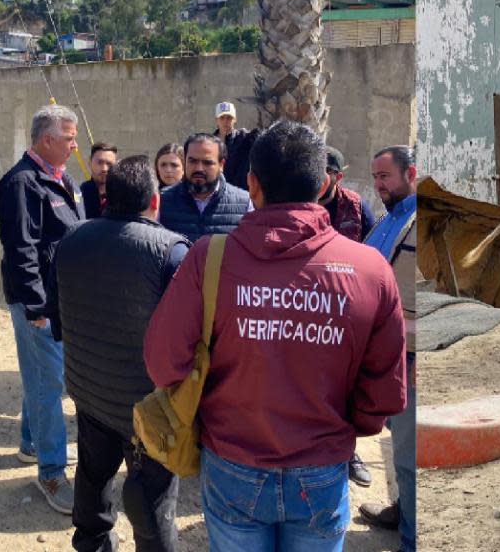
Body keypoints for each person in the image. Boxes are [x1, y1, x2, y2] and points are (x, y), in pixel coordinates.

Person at [143, 120, 407, 552]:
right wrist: (345, 429)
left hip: (232, 461)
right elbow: (386, 391)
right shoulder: (371, 269)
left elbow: (162, 362)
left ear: (250, 183)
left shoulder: (208, 259)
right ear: (323, 184)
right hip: (322, 464)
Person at [47, 156, 190, 551]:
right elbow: (187, 338)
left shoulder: (71, 239)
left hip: (89, 390)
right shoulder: (171, 252)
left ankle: (91, 543)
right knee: (152, 498)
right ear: (154, 201)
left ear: (107, 197)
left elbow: (56, 311)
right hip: (148, 405)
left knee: (92, 478)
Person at [0, 104, 84, 514]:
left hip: (60, 297)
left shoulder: (60, 179)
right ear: (46, 140)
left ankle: (30, 443)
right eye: (68, 137)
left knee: (43, 376)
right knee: (50, 384)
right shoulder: (21, 184)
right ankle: (51, 471)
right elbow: (21, 251)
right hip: (39, 301)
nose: (74, 144)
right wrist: (36, 306)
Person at [358, 145, 417, 552]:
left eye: (385, 177)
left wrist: (409, 356)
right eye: (375, 177)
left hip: (406, 358)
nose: (379, 185)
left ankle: (412, 539)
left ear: (410, 172)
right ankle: (403, 511)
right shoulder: (388, 219)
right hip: (382, 356)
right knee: (397, 444)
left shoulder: (417, 222)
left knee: (410, 456)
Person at [319, 145, 377, 487]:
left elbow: (373, 253)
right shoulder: (301, 204)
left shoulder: (355, 207)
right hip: (308, 310)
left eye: (326, 172)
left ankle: (349, 452)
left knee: (348, 385)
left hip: (346, 310)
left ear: (338, 176)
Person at [158, 133, 251, 242]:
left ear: (221, 165)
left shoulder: (245, 204)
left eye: (207, 163)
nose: (199, 168)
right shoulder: (162, 201)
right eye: (193, 161)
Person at [320, 146, 375, 242]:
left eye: (327, 170)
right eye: (314, 168)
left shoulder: (356, 207)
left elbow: (372, 246)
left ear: (338, 177)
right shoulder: (292, 202)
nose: (319, 175)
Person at [213, 101, 261, 191]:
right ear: (216, 120)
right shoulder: (209, 142)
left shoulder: (244, 138)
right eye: (222, 118)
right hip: (216, 192)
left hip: (240, 192)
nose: (225, 121)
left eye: (229, 118)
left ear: (235, 119)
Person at [80, 142, 117, 219]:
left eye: (109, 164)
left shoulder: (121, 196)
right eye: (100, 163)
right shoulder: (79, 195)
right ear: (90, 163)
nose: (104, 169)